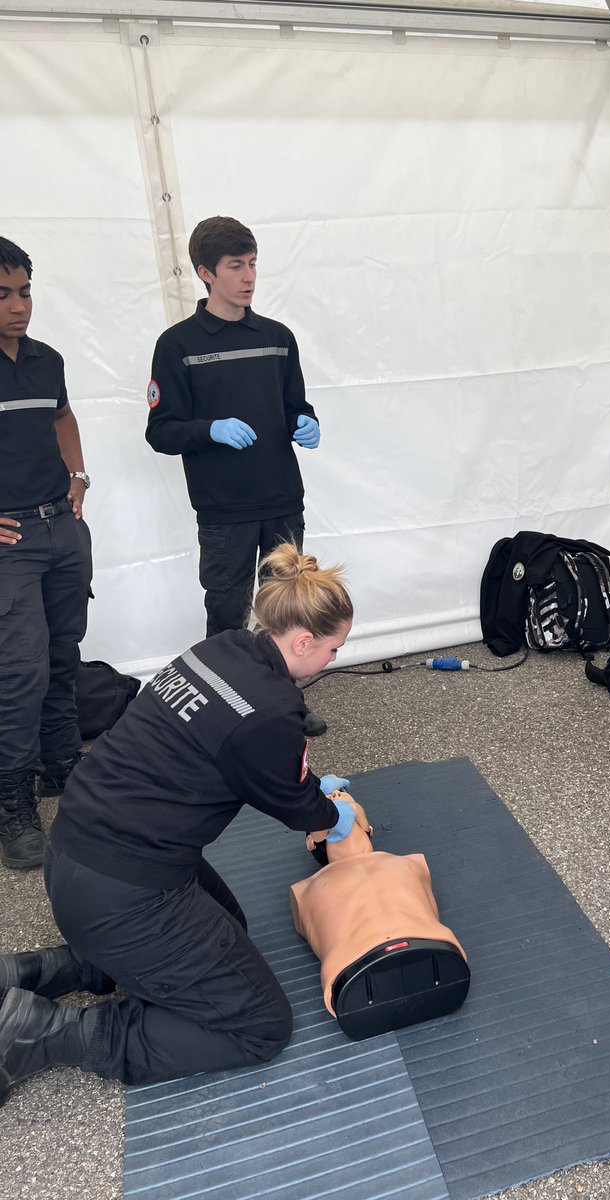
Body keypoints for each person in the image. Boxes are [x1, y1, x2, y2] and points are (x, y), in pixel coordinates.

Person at [0, 544, 357, 1107]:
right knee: (260, 1024)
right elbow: (297, 807)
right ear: (304, 640)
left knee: (229, 927)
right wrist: (334, 814)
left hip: (75, 849)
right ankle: (41, 1033)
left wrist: (304, 782)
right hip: (119, 891)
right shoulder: (271, 713)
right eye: (335, 648)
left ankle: (33, 973)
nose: (336, 658)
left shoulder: (221, 647)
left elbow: (255, 758)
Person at [145, 215, 327, 736]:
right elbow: (162, 431)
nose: (248, 276)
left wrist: (305, 422)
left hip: (281, 498)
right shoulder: (178, 345)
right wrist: (209, 429)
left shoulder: (276, 338)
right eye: (235, 266)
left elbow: (296, 403)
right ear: (205, 272)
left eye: (252, 264)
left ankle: (282, 704)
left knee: (289, 613)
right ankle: (223, 711)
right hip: (224, 507)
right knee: (226, 611)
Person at [0, 237, 93, 871]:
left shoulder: (46, 360)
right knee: (20, 673)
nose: (18, 306)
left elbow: (63, 418)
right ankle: (11, 800)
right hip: (12, 548)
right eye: (3, 294)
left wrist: (77, 476)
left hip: (61, 528)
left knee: (64, 656)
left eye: (25, 291)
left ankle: (62, 768)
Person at [290, 796, 470, 1040]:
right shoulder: (309, 889)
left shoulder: (409, 863)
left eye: (342, 796)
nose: (336, 798)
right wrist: (327, 817)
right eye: (331, 799)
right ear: (312, 843)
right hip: (361, 957)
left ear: (368, 827)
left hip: (417, 940)